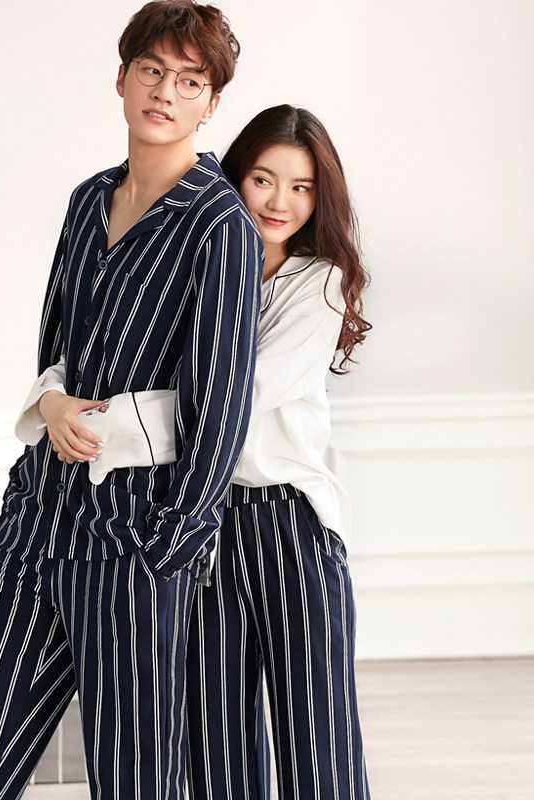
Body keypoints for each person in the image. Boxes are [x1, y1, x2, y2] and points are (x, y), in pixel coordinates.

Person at [0, 3, 262, 800]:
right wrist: (54, 406)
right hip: (40, 520)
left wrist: (171, 545)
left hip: (136, 539)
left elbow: (221, 403)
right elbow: (53, 355)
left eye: (189, 80)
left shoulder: (220, 226)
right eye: (152, 71)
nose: (165, 91)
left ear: (211, 103)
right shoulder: (87, 199)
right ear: (122, 78)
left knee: (135, 778)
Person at [28, 104, 372, 799]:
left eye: (302, 187)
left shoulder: (320, 285)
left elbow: (227, 401)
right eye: (263, 180)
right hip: (205, 518)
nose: (279, 202)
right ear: (236, 178)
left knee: (317, 740)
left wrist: (92, 424)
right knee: (216, 743)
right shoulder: (199, 260)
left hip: (288, 525)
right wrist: (54, 399)